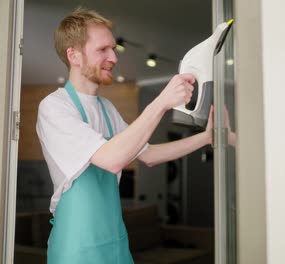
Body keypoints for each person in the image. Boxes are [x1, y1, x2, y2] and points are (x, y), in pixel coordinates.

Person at [36, 7, 214, 264]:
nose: (114, 57)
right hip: (77, 249)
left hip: (115, 244)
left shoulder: (106, 109)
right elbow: (112, 159)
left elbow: (149, 154)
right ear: (73, 55)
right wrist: (161, 102)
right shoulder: (55, 107)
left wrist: (206, 137)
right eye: (102, 50)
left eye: (113, 48)